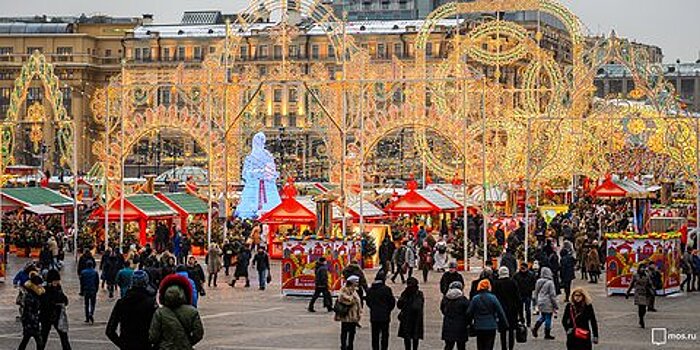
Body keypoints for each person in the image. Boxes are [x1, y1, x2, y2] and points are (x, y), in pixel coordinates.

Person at [149, 273, 204, 350]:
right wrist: (188, 342)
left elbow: (153, 336)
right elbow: (198, 333)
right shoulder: (192, 311)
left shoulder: (160, 313)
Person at [106, 270, 157, 350]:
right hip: (145, 345)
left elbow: (110, 330)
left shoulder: (122, 303)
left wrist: (122, 344)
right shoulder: (151, 304)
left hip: (127, 344)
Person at [466, 279, 508, 350]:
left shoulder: (475, 298)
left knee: (480, 346)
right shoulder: (493, 297)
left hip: (479, 326)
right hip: (491, 325)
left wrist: (469, 323)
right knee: (489, 345)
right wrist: (505, 324)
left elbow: (469, 312)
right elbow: (500, 311)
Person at [492, 267, 521, 350]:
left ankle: (504, 347)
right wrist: (521, 314)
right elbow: (518, 298)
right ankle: (511, 347)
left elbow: (494, 297)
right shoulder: (513, 282)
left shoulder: (496, 283)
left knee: (503, 331)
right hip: (512, 310)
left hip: (501, 309)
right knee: (511, 331)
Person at [40, 269, 71, 350]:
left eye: (58, 281)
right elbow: (45, 303)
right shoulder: (44, 289)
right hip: (46, 316)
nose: (57, 283)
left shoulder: (58, 288)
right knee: (43, 336)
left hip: (57, 316)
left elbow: (65, 299)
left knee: (64, 336)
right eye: (55, 281)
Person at [365, 271, 395, 350]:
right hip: (385, 316)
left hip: (374, 316)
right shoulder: (387, 289)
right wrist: (388, 310)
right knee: (384, 335)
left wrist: (373, 308)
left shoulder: (370, 290)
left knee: (375, 335)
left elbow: (368, 302)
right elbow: (392, 302)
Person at [18, 272, 45, 350]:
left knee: (27, 339)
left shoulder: (36, 294)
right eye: (39, 284)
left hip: (31, 321)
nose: (41, 286)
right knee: (37, 340)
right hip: (31, 322)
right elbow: (29, 311)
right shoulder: (30, 296)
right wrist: (36, 320)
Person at [441, 281, 470, 350]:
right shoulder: (463, 300)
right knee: (461, 346)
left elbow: (442, 309)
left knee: (448, 346)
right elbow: (468, 312)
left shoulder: (445, 299)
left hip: (448, 325)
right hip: (461, 326)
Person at [335, 275, 362, 350]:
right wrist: (352, 299)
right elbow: (343, 299)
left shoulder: (354, 290)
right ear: (352, 282)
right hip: (346, 315)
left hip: (353, 316)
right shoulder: (344, 289)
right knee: (344, 332)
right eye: (356, 282)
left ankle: (350, 346)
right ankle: (343, 346)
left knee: (352, 332)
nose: (357, 283)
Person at [397, 277, 424, 350]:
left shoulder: (405, 293)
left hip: (407, 317)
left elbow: (399, 305)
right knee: (415, 336)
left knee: (407, 337)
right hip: (417, 318)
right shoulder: (420, 294)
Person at [532, 267, 558, 340]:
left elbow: (536, 292)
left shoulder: (538, 281)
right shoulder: (550, 282)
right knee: (548, 317)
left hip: (540, 301)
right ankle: (547, 334)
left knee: (543, 316)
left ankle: (535, 328)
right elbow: (552, 295)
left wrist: (536, 302)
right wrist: (555, 305)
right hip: (548, 302)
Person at [626, 264, 654, 328]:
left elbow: (650, 283)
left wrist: (652, 289)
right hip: (638, 293)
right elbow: (631, 284)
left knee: (644, 308)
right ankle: (641, 319)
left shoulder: (647, 275)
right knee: (640, 307)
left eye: (643, 268)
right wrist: (628, 292)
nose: (642, 269)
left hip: (645, 293)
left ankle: (642, 317)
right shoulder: (635, 275)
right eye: (641, 268)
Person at [513, 262, 536, 327]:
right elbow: (514, 284)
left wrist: (530, 289)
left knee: (527, 309)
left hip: (527, 294)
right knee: (520, 309)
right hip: (519, 294)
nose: (522, 269)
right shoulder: (516, 275)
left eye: (523, 268)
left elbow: (534, 283)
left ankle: (528, 322)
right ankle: (522, 320)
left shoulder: (530, 275)